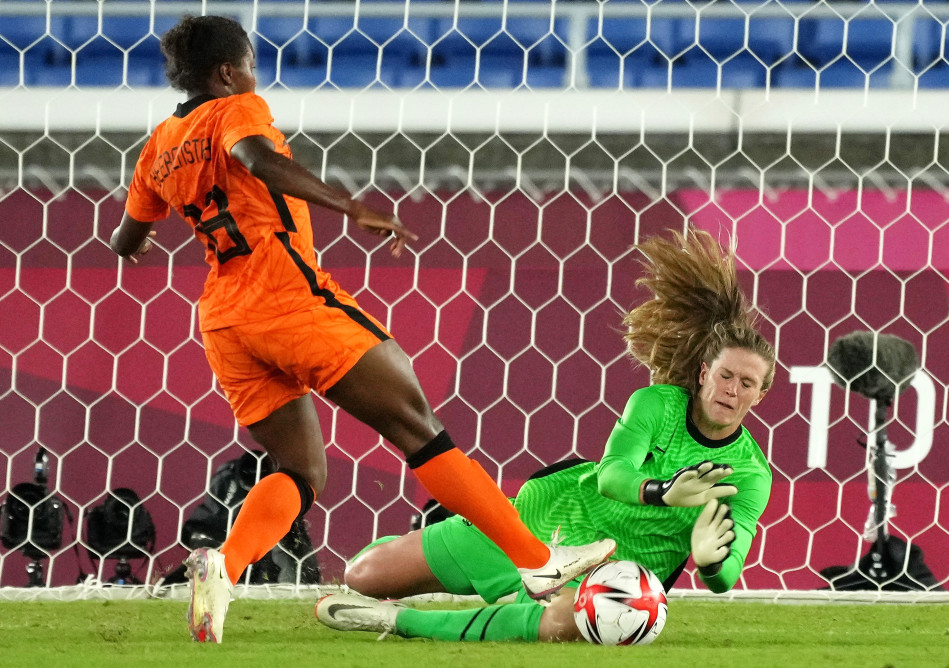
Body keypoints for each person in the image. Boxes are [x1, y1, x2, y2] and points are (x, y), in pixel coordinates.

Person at [108, 15, 615, 643]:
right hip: (287, 300)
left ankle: (225, 565)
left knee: (299, 470)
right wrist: (350, 206)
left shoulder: (158, 145)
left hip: (224, 321)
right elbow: (256, 158)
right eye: (250, 63)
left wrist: (140, 239)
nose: (253, 74)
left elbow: (125, 235)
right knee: (417, 427)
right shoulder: (237, 109)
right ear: (227, 72)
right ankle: (538, 563)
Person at [315, 229, 777, 643]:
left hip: (614, 575)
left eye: (747, 384)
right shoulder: (657, 404)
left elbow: (729, 569)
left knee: (565, 622)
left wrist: (713, 564)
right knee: (361, 576)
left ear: (760, 395)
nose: (732, 391)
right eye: (726, 376)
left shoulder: (751, 473)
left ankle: (397, 622)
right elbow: (611, 476)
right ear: (702, 373)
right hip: (544, 525)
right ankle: (458, 562)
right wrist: (663, 492)